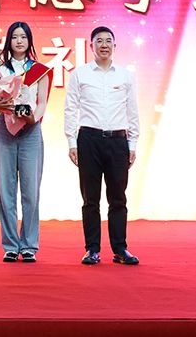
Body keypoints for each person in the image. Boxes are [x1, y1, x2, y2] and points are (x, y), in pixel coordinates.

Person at [64, 26, 140, 266]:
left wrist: (132, 143)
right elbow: (70, 109)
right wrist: (71, 142)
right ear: (91, 46)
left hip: (118, 141)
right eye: (99, 41)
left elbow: (132, 111)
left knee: (118, 198)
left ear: (114, 46)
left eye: (108, 41)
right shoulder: (80, 74)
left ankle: (120, 249)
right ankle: (92, 250)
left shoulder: (125, 76)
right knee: (90, 198)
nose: (104, 45)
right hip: (88, 139)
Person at [0, 22, 52, 263]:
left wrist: (34, 118)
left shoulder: (39, 70)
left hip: (31, 131)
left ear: (29, 41)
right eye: (14, 37)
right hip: (5, 130)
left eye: (23, 37)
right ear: (8, 41)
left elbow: (42, 102)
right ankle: (10, 245)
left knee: (31, 191)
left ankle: (28, 245)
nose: (19, 41)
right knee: (6, 190)